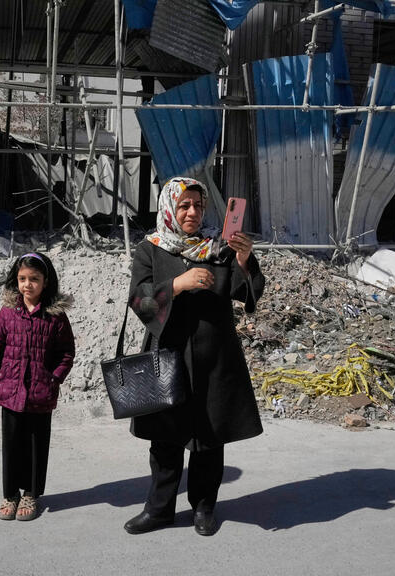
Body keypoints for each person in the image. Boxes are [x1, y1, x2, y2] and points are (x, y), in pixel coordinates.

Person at [124, 176, 265, 536]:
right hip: (167, 355)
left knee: (208, 437)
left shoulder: (219, 247)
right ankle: (159, 510)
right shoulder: (150, 248)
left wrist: (245, 260)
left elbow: (243, 292)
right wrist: (176, 285)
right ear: (170, 207)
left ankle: (204, 507)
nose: (191, 211)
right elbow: (139, 299)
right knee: (166, 438)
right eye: (184, 205)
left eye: (198, 205)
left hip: (214, 358)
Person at [0, 252, 76, 522]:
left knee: (36, 445)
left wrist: (53, 378)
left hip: (40, 394)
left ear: (46, 282)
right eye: (22, 279)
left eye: (34, 279)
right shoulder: (8, 313)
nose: (27, 285)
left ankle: (31, 494)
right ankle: (10, 494)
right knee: (12, 445)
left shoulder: (55, 317)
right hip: (10, 392)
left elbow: (67, 352)